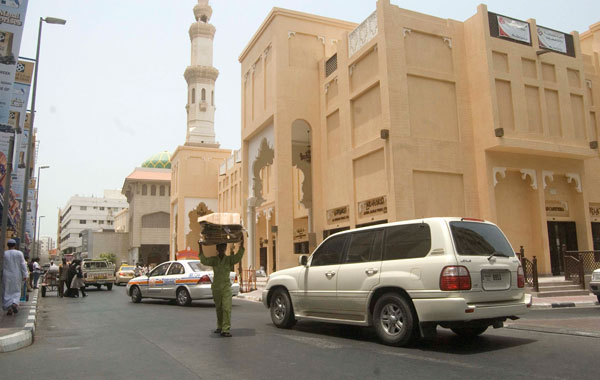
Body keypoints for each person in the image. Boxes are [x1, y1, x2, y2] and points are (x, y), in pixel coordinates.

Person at [198, 237, 244, 337]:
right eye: (220, 247)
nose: (222, 249)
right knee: (219, 308)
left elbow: (238, 256)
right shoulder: (214, 260)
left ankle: (226, 329)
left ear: (225, 248)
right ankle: (219, 327)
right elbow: (204, 260)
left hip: (226, 288)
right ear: (217, 249)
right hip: (216, 288)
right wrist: (200, 247)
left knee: (226, 308)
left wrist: (242, 244)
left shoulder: (229, 260)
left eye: (223, 247)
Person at [2, 239, 28, 316]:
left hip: (6, 275)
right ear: (15, 245)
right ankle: (15, 303)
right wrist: (25, 274)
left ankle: (9, 309)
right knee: (16, 291)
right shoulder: (19, 253)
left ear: (7, 245)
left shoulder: (4, 254)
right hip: (16, 275)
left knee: (6, 291)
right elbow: (23, 264)